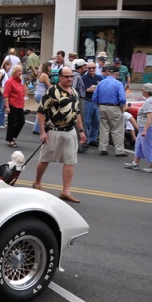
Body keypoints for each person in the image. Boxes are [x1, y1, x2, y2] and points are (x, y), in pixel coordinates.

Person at [33, 66, 88, 203]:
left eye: (71, 77)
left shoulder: (74, 92)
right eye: (67, 76)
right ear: (60, 77)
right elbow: (41, 112)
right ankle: (37, 182)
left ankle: (66, 191)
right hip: (54, 131)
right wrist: (42, 132)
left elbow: (77, 112)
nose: (70, 79)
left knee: (70, 161)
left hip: (70, 132)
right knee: (45, 159)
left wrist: (81, 130)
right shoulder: (52, 92)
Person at [124, 84, 152, 173]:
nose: (142, 91)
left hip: (148, 127)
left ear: (147, 92)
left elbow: (149, 116)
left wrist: (145, 130)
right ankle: (135, 162)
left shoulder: (149, 102)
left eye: (143, 90)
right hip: (148, 126)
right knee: (139, 145)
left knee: (150, 146)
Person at [92, 65, 128, 157]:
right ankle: (119, 150)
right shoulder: (118, 83)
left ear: (109, 73)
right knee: (117, 129)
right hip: (114, 107)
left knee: (104, 128)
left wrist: (99, 105)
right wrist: (121, 107)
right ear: (117, 74)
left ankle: (103, 148)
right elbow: (122, 98)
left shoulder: (101, 83)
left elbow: (94, 97)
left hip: (102, 106)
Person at [3, 65, 26, 148]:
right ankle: (10, 139)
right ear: (14, 72)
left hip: (19, 104)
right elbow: (6, 95)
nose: (20, 73)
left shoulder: (19, 81)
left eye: (21, 71)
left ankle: (13, 136)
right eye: (19, 71)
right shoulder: (9, 81)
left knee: (21, 121)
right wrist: (7, 106)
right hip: (12, 104)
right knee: (11, 122)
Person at [32, 62, 52, 134]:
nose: (51, 68)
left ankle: (38, 127)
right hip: (41, 95)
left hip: (38, 94)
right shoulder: (44, 75)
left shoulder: (41, 74)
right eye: (50, 67)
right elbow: (49, 86)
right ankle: (37, 128)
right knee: (43, 111)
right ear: (47, 67)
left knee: (43, 111)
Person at [0, 58, 12, 129]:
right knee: (1, 107)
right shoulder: (2, 72)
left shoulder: (3, 72)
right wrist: (1, 88)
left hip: (4, 91)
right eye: (9, 66)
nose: (10, 68)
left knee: (2, 107)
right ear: (6, 65)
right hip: (3, 91)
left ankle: (1, 122)